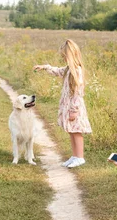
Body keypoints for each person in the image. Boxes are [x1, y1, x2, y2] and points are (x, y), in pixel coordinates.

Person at [33, 39, 92, 168]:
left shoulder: (77, 70)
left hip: (74, 107)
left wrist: (74, 109)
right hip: (69, 106)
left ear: (71, 56)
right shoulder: (68, 69)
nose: (64, 59)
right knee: (71, 131)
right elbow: (58, 71)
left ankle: (80, 157)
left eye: (65, 56)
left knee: (77, 132)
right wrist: (45, 67)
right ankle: (75, 156)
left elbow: (78, 91)